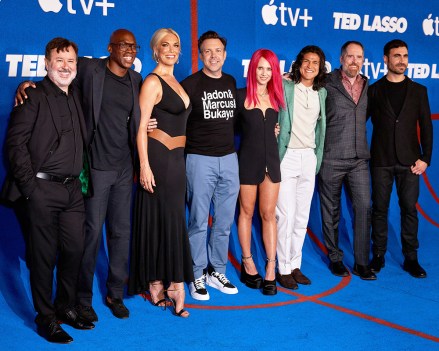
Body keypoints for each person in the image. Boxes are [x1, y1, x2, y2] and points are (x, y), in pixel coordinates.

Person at [15, 29, 142, 320]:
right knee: (91, 235)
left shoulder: (137, 80)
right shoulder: (89, 68)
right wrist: (26, 85)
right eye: (122, 45)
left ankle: (115, 294)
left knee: (120, 233)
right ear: (109, 48)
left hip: (124, 168)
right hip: (95, 166)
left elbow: (143, 114)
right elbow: (57, 72)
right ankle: (82, 300)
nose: (129, 50)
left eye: (133, 46)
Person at [3, 37, 94, 344]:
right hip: (41, 190)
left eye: (70, 61)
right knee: (43, 258)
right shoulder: (34, 96)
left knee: (74, 250)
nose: (65, 67)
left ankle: (65, 308)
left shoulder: (76, 97)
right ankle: (46, 319)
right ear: (47, 64)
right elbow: (15, 145)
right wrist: (31, 189)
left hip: (72, 192)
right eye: (59, 61)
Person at [128, 28, 193, 318]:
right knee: (164, 220)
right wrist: (144, 165)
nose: (171, 49)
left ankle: (162, 283)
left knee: (169, 220)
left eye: (175, 45)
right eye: (164, 45)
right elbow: (141, 128)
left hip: (177, 161)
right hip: (158, 160)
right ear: (155, 50)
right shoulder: (152, 81)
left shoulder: (175, 81)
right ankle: (170, 285)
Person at [181, 31, 239, 300]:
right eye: (207, 51)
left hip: (229, 159)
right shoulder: (190, 84)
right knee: (198, 221)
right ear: (200, 55)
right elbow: (171, 115)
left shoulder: (230, 81)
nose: (213, 55)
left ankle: (217, 270)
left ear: (224, 54)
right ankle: (196, 275)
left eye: (218, 51)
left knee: (225, 221)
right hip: (199, 159)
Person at [368, 39, 433, 278]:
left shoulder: (419, 91)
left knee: (409, 209)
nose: (402, 61)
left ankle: (411, 258)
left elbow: (426, 127)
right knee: (379, 210)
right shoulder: (373, 90)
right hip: (381, 160)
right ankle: (378, 255)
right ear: (386, 59)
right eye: (396, 56)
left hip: (410, 162)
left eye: (405, 56)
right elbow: (358, 121)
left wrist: (425, 158)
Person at [318, 41, 376, 280]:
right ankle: (335, 259)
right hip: (331, 156)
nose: (354, 61)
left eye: (359, 57)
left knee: (364, 208)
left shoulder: (368, 85)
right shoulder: (326, 82)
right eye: (350, 56)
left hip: (360, 158)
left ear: (363, 60)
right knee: (331, 210)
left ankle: (362, 262)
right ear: (341, 59)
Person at [276, 45, 327, 290]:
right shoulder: (286, 86)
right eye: (306, 61)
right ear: (298, 64)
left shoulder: (322, 93)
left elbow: (320, 127)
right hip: (287, 157)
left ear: (320, 67)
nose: (310, 66)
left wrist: (316, 158)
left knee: (301, 216)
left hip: (309, 157)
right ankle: (283, 268)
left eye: (315, 62)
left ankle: (295, 265)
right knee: (284, 215)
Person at [236, 49, 285, 295]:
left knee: (268, 215)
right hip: (246, 162)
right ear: (252, 69)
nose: (264, 73)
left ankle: (271, 268)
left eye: (269, 69)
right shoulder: (240, 96)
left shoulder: (277, 97)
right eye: (260, 68)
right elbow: (224, 128)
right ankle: (248, 263)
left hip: (271, 164)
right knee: (246, 212)